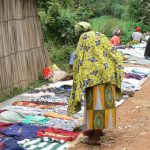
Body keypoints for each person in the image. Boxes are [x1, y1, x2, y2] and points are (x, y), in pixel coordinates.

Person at [67, 22, 124, 145]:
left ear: (79, 32)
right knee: (103, 103)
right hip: (107, 73)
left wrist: (77, 75)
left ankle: (95, 138)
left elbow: (79, 57)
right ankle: (98, 130)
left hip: (94, 76)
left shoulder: (84, 37)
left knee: (96, 105)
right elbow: (112, 52)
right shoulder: (99, 35)